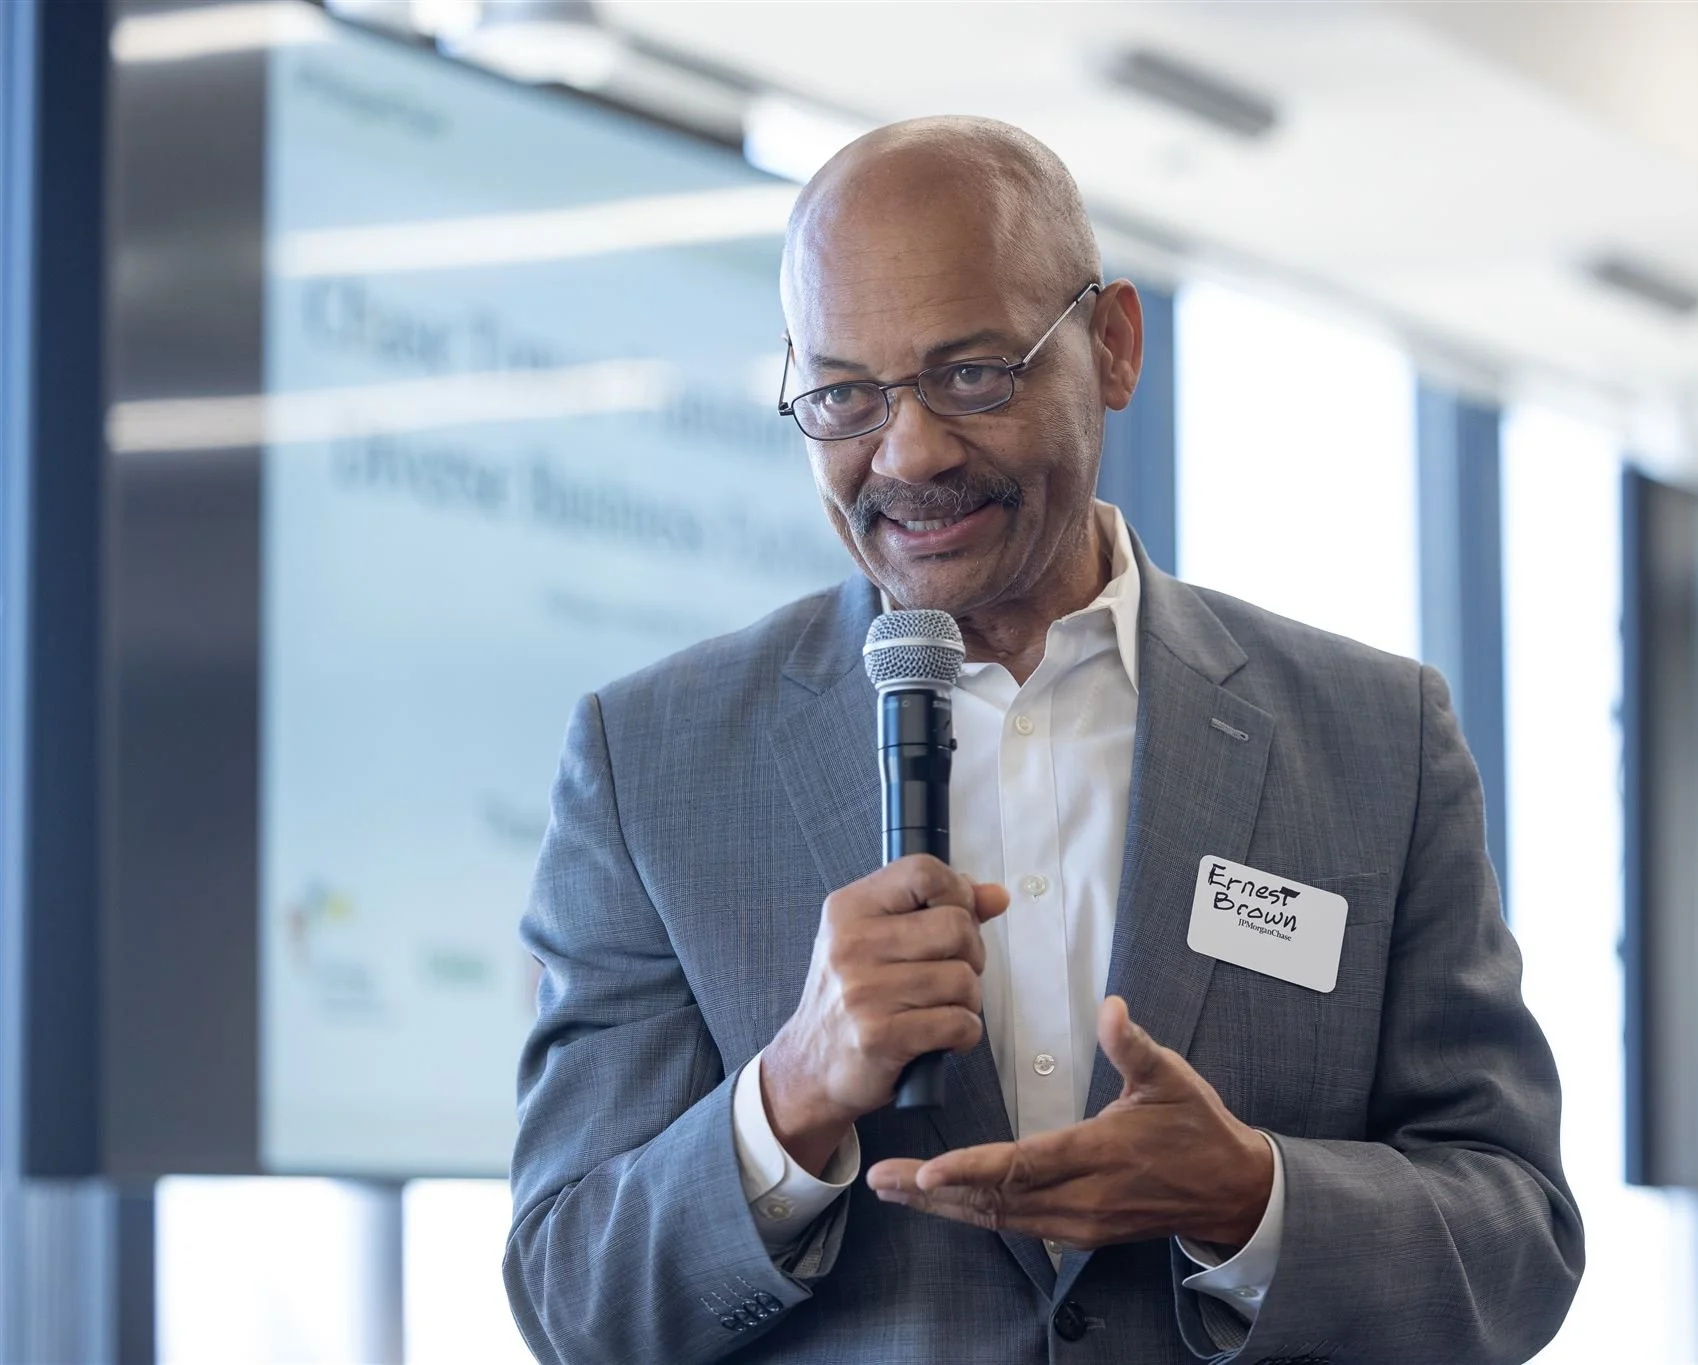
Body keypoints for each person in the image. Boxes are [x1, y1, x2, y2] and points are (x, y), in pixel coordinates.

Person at [503, 115, 1582, 1365]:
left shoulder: (1373, 742)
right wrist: (790, 1096)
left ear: (1112, 345)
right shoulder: (651, 763)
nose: (906, 453)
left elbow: (1519, 1246)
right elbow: (570, 1298)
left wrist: (1247, 1197)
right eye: (844, 395)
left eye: (972, 374)